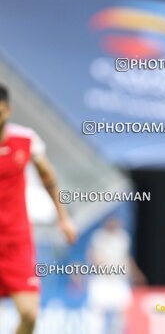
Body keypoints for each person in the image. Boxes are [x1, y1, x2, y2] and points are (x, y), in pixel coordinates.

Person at [0, 84, 77, 334]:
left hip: (16, 241)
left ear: (8, 110)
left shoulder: (25, 140)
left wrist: (63, 218)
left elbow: (48, 178)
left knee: (30, 314)